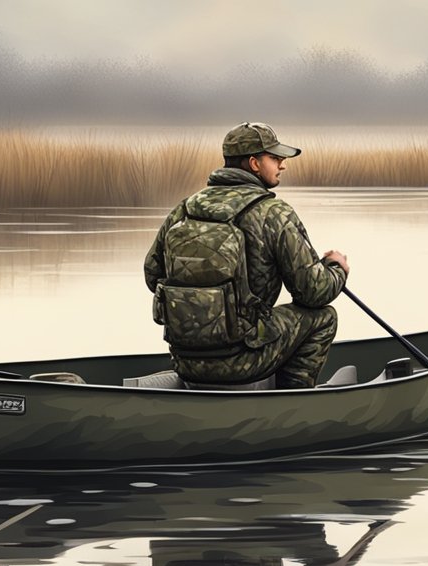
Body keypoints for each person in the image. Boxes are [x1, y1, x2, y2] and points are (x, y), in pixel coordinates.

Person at [144, 122, 349, 389]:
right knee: (323, 317)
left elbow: (152, 276)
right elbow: (313, 293)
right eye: (275, 158)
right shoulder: (273, 212)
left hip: (184, 361)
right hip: (244, 361)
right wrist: (336, 268)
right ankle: (292, 401)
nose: (283, 165)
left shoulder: (185, 208)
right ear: (254, 163)